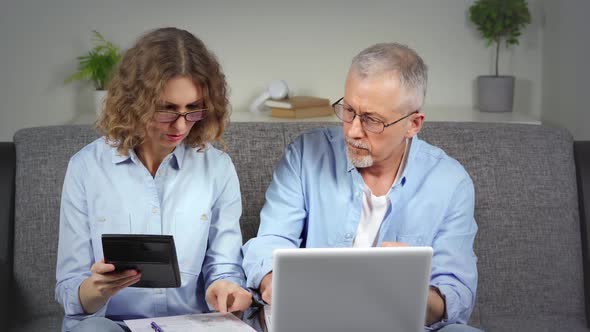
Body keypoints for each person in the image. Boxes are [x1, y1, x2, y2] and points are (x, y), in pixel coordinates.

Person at [242, 43, 480, 331]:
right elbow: (270, 241)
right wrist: (272, 280)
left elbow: (455, 296)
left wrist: (412, 293)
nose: (353, 130)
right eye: (349, 110)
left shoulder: (450, 182)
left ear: (413, 124)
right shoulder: (306, 155)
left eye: (372, 120)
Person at [55, 27, 251, 332]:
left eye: (193, 109)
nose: (181, 125)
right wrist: (96, 289)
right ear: (136, 102)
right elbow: (70, 290)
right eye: (167, 110)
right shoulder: (86, 168)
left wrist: (225, 288)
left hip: (190, 325)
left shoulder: (217, 168)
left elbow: (224, 267)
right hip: (111, 325)